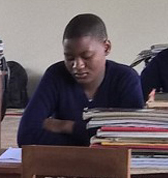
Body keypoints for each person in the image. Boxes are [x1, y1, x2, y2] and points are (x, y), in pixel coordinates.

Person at [17, 14, 144, 148]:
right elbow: (26, 136)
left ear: (106, 48)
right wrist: (94, 139)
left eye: (86, 56)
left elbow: (131, 140)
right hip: (63, 165)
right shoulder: (55, 76)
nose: (77, 65)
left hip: (110, 166)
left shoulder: (125, 79)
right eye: (69, 57)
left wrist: (67, 126)